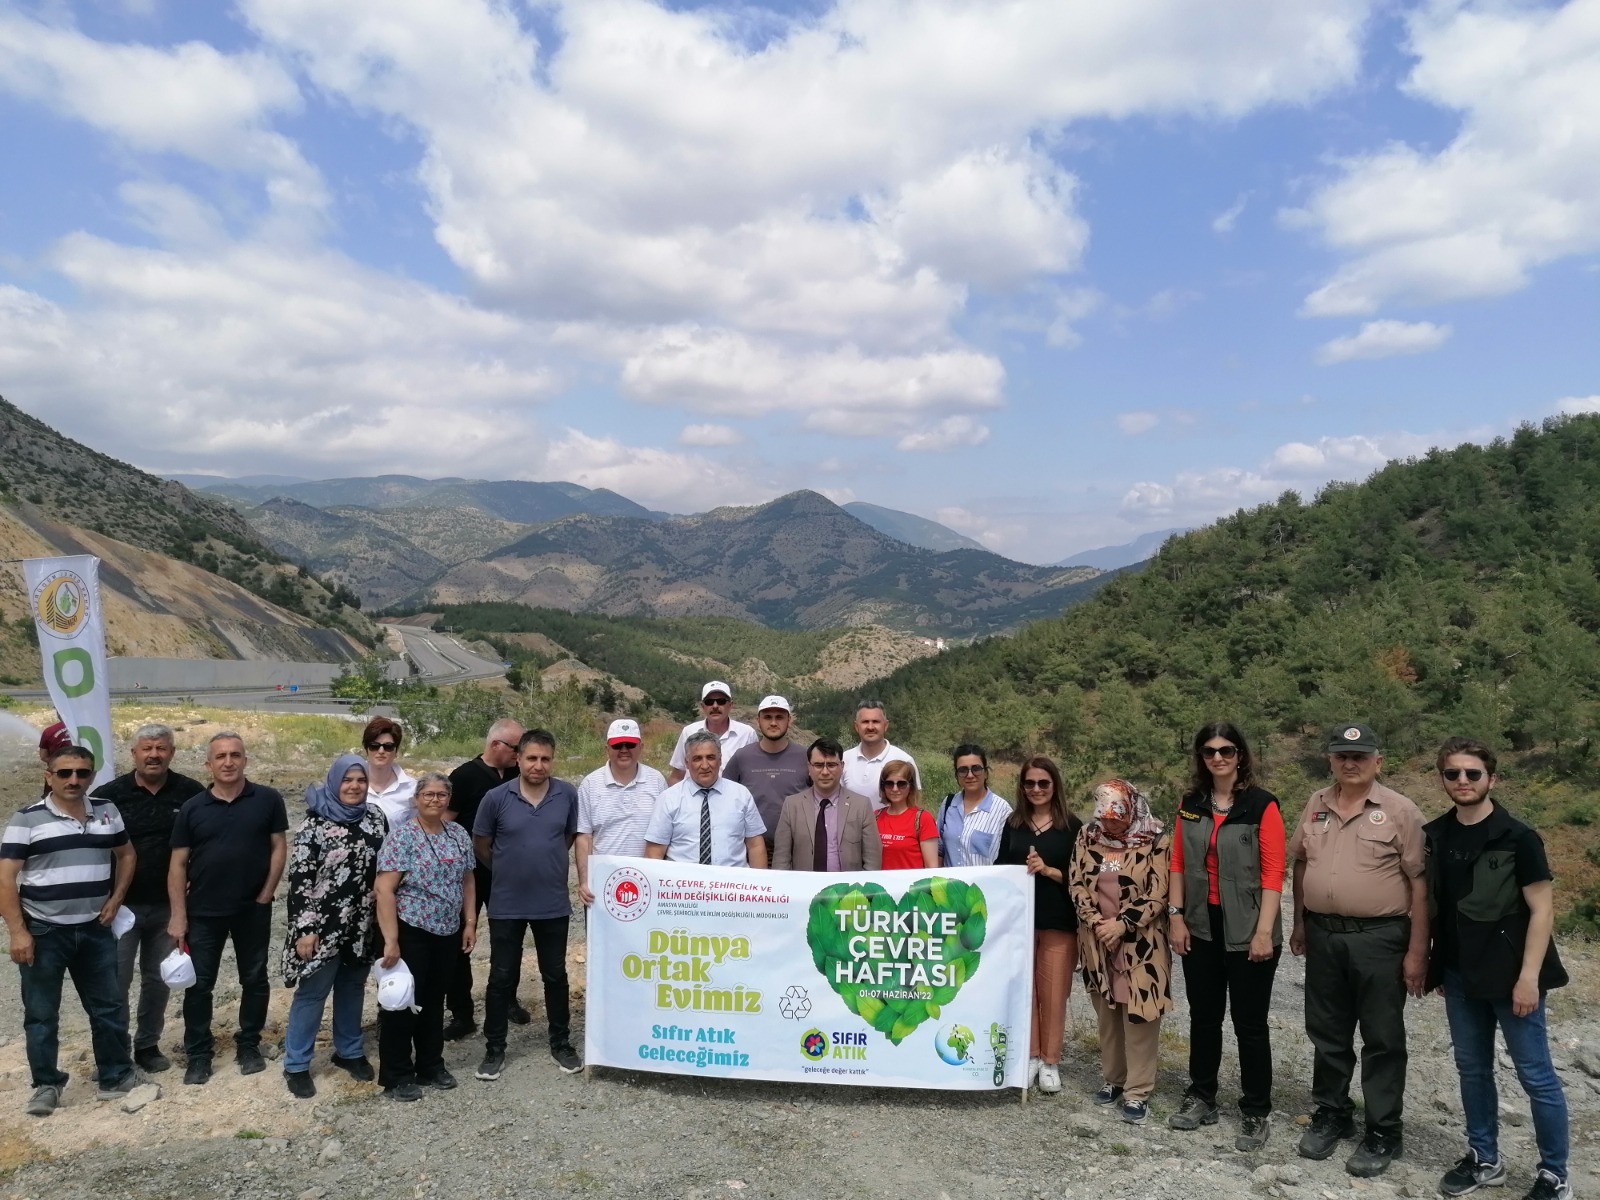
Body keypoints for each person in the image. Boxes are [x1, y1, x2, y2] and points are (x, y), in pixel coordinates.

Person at [1426, 738, 1571, 1200]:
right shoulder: (1436, 835)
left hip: (1512, 976)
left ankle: (1555, 1175)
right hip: (1460, 974)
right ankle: (1484, 1159)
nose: (1462, 781)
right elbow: (1438, 908)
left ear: (1492, 778)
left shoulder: (1519, 837)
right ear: (1443, 779)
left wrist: (1528, 978)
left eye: (1472, 774)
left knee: (1536, 1075)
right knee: (1472, 1069)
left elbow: (1542, 910)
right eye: (1453, 774)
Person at [1288, 723, 1427, 1178]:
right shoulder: (1316, 803)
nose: (1351, 763)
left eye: (1361, 756)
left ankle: (1384, 1128)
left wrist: (1417, 950)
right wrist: (1300, 924)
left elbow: (1420, 885)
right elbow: (1302, 863)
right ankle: (1332, 1112)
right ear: (1330, 759)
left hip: (1380, 937)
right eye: (1342, 756)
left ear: (1378, 761)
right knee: (1326, 1030)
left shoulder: (1402, 811)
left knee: (1382, 1037)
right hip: (1324, 934)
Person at [0, 744, 137, 1116]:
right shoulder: (26, 820)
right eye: (64, 773)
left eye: (82, 772)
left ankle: (116, 1075)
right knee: (42, 1014)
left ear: (91, 775)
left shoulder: (107, 811)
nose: (74, 780)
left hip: (95, 929)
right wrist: (18, 932)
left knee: (108, 1007)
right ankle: (46, 1084)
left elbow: (126, 855)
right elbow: (5, 879)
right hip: (44, 932)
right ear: (49, 776)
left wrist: (116, 898)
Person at [1167, 723, 1285, 1151]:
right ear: (1200, 756)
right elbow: (1177, 861)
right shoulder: (1190, 804)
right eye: (1209, 750)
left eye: (1227, 750)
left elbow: (1274, 874)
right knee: (1204, 1016)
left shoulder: (1262, 805)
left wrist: (1263, 932)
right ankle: (1202, 1095)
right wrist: (1176, 918)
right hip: (1201, 924)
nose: (1218, 757)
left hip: (1250, 928)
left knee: (1250, 1024)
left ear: (1240, 754)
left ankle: (1255, 1110)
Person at [167, 732, 289, 1086]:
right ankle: (199, 1054)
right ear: (208, 764)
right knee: (200, 984)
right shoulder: (192, 808)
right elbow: (177, 865)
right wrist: (178, 915)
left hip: (253, 908)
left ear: (245, 760)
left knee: (254, 978)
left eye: (235, 755)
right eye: (220, 756)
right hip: (203, 912)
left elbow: (278, 846)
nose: (228, 762)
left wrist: (267, 892)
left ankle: (248, 1044)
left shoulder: (267, 799)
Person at [91, 723, 203, 1074]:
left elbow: (204, 842)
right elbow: (94, 847)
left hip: (169, 907)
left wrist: (195, 881)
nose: (154, 755)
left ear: (171, 752)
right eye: (147, 748)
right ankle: (115, 1048)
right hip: (120, 907)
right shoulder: (109, 796)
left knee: (158, 978)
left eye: (161, 748)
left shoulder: (191, 792)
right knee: (115, 982)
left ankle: (147, 1045)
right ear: (134, 754)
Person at [471, 729, 581, 1081]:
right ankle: (494, 1048)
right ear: (518, 758)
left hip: (552, 903)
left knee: (555, 975)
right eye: (531, 758)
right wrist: (509, 869)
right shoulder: (496, 797)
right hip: (506, 902)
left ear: (553, 760)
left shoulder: (567, 794)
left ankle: (560, 1042)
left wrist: (543, 863)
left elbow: (567, 837)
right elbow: (482, 844)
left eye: (545, 759)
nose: (538, 765)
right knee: (501, 976)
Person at [280, 755, 388, 1099]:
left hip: (362, 923)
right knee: (312, 992)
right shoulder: (314, 824)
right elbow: (299, 881)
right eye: (348, 780)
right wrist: (305, 929)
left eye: (360, 780)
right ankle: (296, 1063)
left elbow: (386, 865)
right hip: (322, 926)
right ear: (335, 782)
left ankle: (349, 1051)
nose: (354, 786)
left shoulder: (375, 819)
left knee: (353, 988)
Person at [1068, 779, 1172, 1125]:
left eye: (1117, 817)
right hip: (1097, 940)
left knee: (1139, 1013)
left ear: (1132, 808)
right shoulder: (1088, 836)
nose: (1110, 824)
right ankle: (1113, 1079)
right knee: (1107, 1010)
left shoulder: (1155, 839)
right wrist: (1097, 922)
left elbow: (1159, 893)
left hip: (1140, 942)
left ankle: (1138, 1091)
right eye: (1105, 817)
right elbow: (1077, 882)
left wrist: (1121, 924)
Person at [376, 772, 477, 1102]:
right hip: (411, 929)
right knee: (403, 1002)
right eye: (428, 794)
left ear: (449, 799)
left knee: (434, 1002)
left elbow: (468, 880)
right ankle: (397, 1074)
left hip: (447, 930)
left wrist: (470, 922)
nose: (435, 800)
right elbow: (385, 889)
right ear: (416, 799)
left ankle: (431, 1064)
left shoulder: (458, 834)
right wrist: (391, 940)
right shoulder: (402, 837)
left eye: (441, 795)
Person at [998, 756, 1081, 1096]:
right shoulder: (1013, 823)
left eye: (1043, 783)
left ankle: (1050, 1060)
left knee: (1053, 993)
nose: (1036, 789)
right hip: (1021, 923)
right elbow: (1000, 867)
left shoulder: (1073, 827)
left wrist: (1047, 871)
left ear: (1054, 786)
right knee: (1026, 991)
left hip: (1058, 920)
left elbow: (1081, 878)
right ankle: (1031, 1054)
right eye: (1029, 783)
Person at [443, 718, 525, 1041]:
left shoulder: (519, 776)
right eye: (516, 749)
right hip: (469, 873)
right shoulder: (463, 777)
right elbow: (446, 824)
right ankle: (461, 1013)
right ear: (496, 746)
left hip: (507, 872)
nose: (520, 756)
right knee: (460, 942)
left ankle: (506, 999)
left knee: (509, 937)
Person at [576, 719, 667, 906]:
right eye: (617, 745)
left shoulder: (657, 781)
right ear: (607, 749)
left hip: (648, 881)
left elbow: (666, 833)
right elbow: (584, 837)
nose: (624, 749)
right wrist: (584, 881)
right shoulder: (590, 784)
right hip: (603, 882)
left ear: (641, 747)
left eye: (630, 744)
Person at [644, 731, 768, 868]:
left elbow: (755, 845)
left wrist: (759, 885)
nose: (704, 765)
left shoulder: (741, 795)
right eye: (697, 759)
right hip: (683, 886)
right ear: (687, 762)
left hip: (732, 885)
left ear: (720, 760)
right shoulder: (668, 799)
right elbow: (654, 853)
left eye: (710, 757)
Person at [771, 739, 881, 872]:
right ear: (809, 767)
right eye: (818, 765)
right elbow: (781, 860)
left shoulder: (861, 805)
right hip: (803, 890)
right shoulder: (792, 805)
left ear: (842, 767)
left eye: (831, 765)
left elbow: (872, 861)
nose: (825, 772)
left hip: (847, 891)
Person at [723, 696, 810, 855]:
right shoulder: (742, 757)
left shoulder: (806, 757)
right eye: (767, 717)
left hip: (797, 852)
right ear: (758, 721)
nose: (773, 723)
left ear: (789, 720)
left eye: (779, 717)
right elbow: (723, 797)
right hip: (751, 853)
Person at [665, 681, 755, 786]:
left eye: (721, 701)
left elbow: (753, 776)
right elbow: (677, 776)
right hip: (693, 799)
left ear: (730, 705)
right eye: (709, 702)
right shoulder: (688, 732)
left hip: (733, 800)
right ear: (703, 706)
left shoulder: (747, 734)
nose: (715, 706)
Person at [936, 744, 1010, 866]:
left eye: (976, 768)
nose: (970, 775)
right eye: (963, 770)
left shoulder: (1002, 810)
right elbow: (939, 850)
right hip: (950, 884)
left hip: (984, 884)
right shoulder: (948, 804)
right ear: (957, 776)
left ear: (986, 772)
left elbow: (1007, 857)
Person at [841, 700, 919, 808]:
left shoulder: (904, 760)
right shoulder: (844, 759)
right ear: (856, 726)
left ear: (886, 725)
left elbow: (914, 802)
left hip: (892, 825)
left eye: (876, 721)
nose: (870, 727)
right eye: (865, 722)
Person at [875, 760, 939, 869]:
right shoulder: (875, 817)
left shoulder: (923, 818)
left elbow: (931, 867)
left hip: (911, 885)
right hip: (880, 885)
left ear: (911, 786)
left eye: (901, 784)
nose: (895, 789)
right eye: (889, 784)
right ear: (883, 786)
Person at [362, 717, 416, 828]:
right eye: (374, 746)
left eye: (388, 746)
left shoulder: (412, 788)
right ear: (366, 749)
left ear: (396, 750)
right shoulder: (350, 786)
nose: (381, 751)